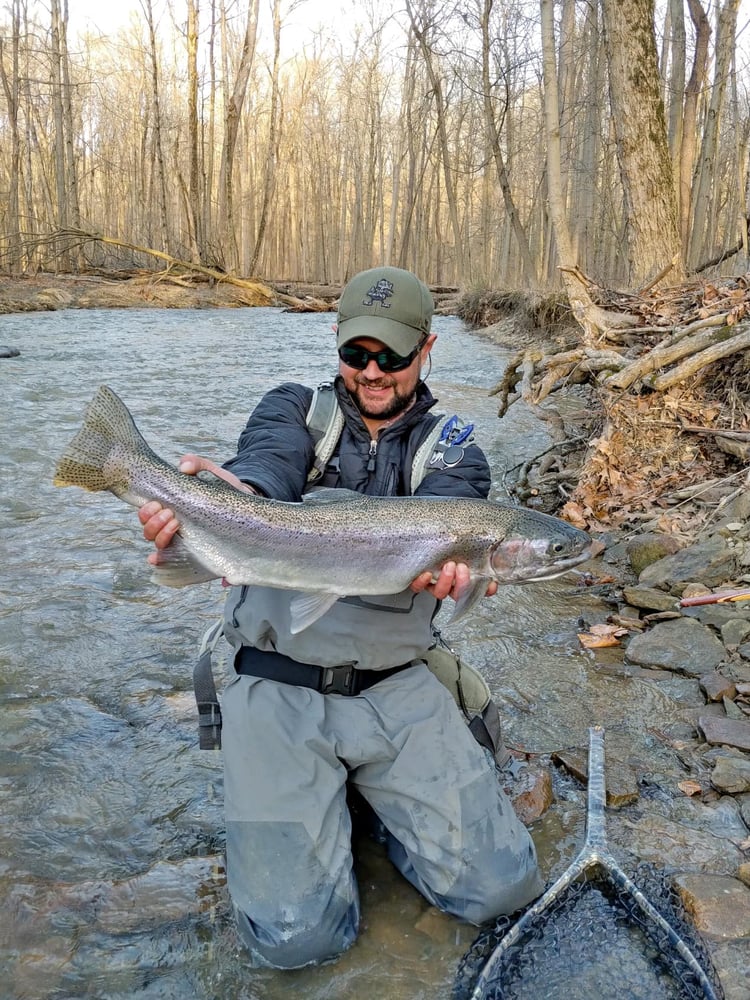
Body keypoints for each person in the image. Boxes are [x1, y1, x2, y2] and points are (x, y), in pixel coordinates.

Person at [138, 265, 543, 969]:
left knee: (504, 891)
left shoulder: (453, 442)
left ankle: (378, 816)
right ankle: (340, 812)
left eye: (391, 355)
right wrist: (223, 507)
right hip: (278, 682)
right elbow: (265, 468)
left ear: (426, 348)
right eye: (357, 353)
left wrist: (460, 574)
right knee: (296, 942)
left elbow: (451, 499)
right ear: (336, 344)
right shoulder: (294, 409)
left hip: (396, 685)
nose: (373, 371)